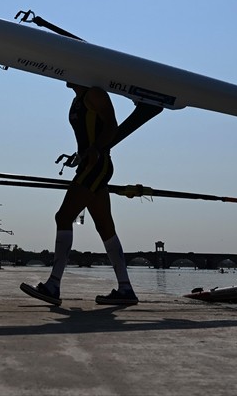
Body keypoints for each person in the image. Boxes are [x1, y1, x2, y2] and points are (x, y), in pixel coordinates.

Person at [21, 82, 139, 307]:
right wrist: (81, 154)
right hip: (90, 164)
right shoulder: (78, 98)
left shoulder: (94, 93)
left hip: (97, 166)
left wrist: (95, 150)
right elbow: (89, 135)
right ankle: (125, 289)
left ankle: (53, 285)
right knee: (105, 228)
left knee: (63, 216)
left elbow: (111, 126)